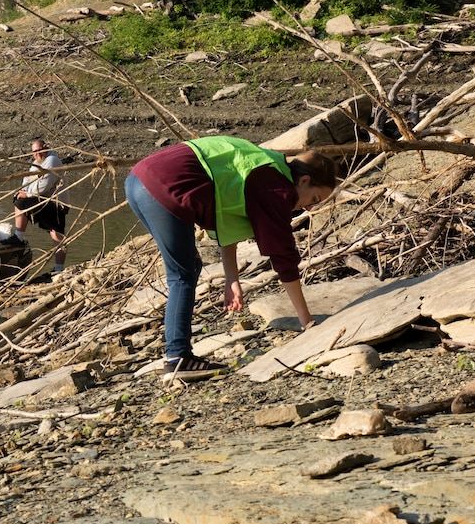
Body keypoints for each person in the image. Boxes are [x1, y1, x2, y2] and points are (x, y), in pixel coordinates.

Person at [125, 135, 337, 383]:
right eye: (314, 199)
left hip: (138, 180)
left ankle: (178, 355)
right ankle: (177, 358)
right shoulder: (276, 187)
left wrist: (232, 279)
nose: (309, 209)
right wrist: (307, 321)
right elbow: (283, 255)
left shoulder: (267, 168)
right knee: (181, 275)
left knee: (188, 268)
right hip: (164, 184)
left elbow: (227, 221)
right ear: (304, 180)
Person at [12, 139, 69, 272]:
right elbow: (27, 180)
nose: (37, 154)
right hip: (44, 201)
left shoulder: (52, 161)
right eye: (34, 152)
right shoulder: (36, 164)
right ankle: (18, 237)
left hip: (56, 204)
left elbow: (43, 186)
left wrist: (26, 194)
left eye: (39, 150)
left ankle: (18, 238)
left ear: (46, 148)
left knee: (57, 235)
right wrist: (23, 191)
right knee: (19, 199)